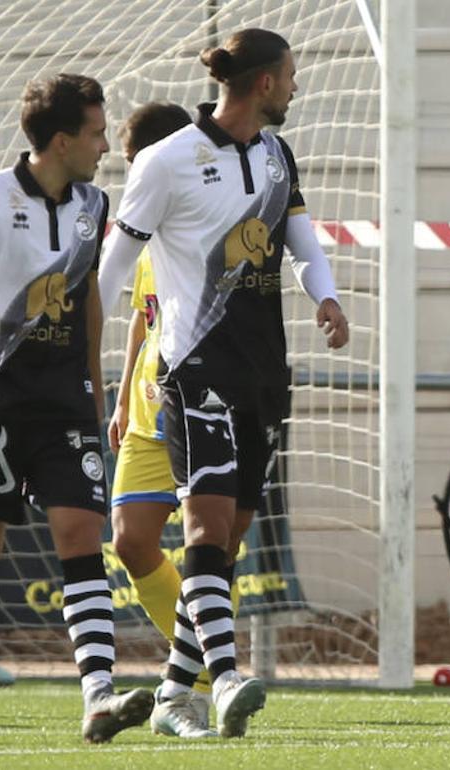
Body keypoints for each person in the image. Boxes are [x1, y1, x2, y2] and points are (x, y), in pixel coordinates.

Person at [97, 29, 349, 738]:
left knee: (229, 538)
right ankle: (226, 672)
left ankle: (176, 693)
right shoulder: (166, 160)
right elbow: (116, 269)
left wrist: (325, 297)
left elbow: (300, 244)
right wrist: (89, 367)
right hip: (193, 368)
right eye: (293, 76)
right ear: (265, 83)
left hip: (264, 371)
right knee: (205, 525)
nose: (298, 88)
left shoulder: (276, 155)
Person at [0, 74, 153, 747]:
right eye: (97, 133)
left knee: (79, 536)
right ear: (62, 140)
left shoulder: (95, 204)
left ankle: (97, 695)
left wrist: (97, 384)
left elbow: (89, 294)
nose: (105, 145)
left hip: (66, 400)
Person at [105, 101, 231, 739]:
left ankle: (199, 678)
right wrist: (124, 393)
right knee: (129, 539)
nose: (132, 177)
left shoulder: (197, 221)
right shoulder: (147, 231)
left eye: (133, 165)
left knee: (208, 545)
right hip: (147, 408)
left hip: (195, 403)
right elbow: (140, 314)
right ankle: (211, 668)